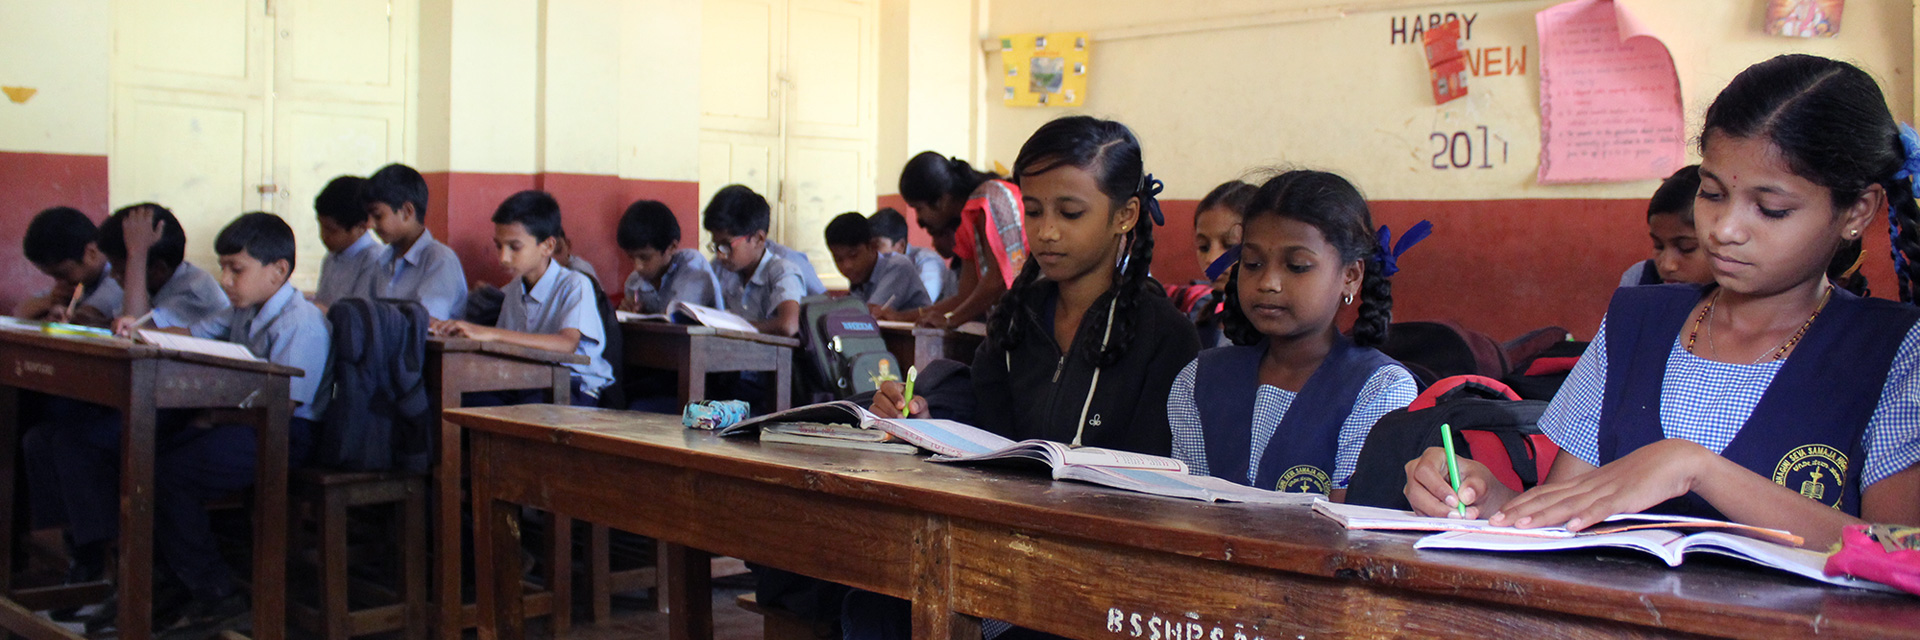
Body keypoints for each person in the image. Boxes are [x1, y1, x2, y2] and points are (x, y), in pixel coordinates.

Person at [1403, 54, 1920, 549]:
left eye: (1771, 208)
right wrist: (1489, 500)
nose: (1724, 230)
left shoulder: (1892, 351)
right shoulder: (1637, 322)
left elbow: (1901, 554)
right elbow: (1566, 517)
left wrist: (1695, 467)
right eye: (1713, 194)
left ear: (1857, 210)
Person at [857, 115, 1202, 640]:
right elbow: (988, 428)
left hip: (1099, 568)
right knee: (873, 602)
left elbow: (1157, 482)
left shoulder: (1165, 336)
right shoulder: (1017, 317)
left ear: (1125, 215)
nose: (1046, 232)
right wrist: (929, 417)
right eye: (1034, 210)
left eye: (1070, 212)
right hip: (1001, 541)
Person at [32, 212, 330, 634]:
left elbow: (282, 405)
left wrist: (211, 416)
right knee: (142, 462)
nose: (225, 280)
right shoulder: (243, 309)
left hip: (284, 433)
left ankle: (216, 593)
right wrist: (139, 329)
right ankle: (167, 581)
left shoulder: (299, 323)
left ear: (278, 270)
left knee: (171, 476)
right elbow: (190, 332)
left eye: (236, 269)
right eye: (223, 267)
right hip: (239, 421)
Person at [1167, 170, 1418, 500]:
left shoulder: (1379, 389)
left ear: (1351, 276)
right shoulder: (1197, 381)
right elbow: (1187, 510)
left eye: (1297, 266)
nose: (1268, 282)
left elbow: (1348, 527)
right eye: (1253, 263)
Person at [431, 191, 613, 406]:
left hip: (572, 386)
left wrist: (489, 333)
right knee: (463, 402)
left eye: (514, 247)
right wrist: (457, 330)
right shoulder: (513, 290)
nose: (503, 257)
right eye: (499, 246)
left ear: (547, 246)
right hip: (527, 380)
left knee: (527, 409)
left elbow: (566, 344)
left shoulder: (575, 284)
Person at [888, 151, 1024, 327]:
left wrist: (950, 320)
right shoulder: (967, 220)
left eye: (919, 208)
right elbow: (964, 297)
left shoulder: (990, 197)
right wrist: (900, 318)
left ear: (942, 199)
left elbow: (1000, 278)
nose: (918, 219)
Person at [102, 203, 230, 333]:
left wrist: (137, 255)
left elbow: (136, 334)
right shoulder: (155, 284)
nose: (113, 275)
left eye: (122, 271)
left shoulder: (196, 291)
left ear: (159, 270)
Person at [363, 163, 468, 320]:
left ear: (407, 212)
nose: (370, 225)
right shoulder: (383, 261)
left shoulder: (440, 260)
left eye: (378, 216)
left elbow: (425, 323)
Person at [705, 185, 808, 337]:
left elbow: (788, 326)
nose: (720, 255)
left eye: (726, 246)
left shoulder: (782, 271)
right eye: (716, 246)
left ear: (758, 239)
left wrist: (730, 326)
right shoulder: (720, 269)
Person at [16, 206, 121, 324]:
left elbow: (85, 317)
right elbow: (20, 314)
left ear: (91, 253)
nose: (59, 282)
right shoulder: (78, 281)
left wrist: (64, 316)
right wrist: (51, 301)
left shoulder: (117, 277)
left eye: (62, 274)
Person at [616, 199, 721, 312]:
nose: (637, 267)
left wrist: (645, 317)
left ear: (671, 247)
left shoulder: (692, 267)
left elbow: (680, 316)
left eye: (645, 258)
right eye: (631, 258)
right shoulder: (634, 283)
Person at [1619, 166, 1714, 287]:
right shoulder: (1639, 280)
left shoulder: (1741, 297)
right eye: (1658, 246)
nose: (1666, 266)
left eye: (1686, 248)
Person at [824, 212, 932, 314]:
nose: (847, 266)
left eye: (853, 255)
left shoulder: (898, 266)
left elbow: (870, 314)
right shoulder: (859, 278)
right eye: (838, 259)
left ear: (872, 246)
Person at [313, 175, 385, 308]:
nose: (323, 235)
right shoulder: (331, 257)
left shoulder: (375, 261)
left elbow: (358, 317)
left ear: (361, 227)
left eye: (331, 230)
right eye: (321, 226)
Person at [868, 207, 950, 301]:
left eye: (876, 246)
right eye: (868, 247)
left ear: (900, 246)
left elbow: (923, 301)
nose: (871, 253)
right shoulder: (876, 267)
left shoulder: (927, 262)